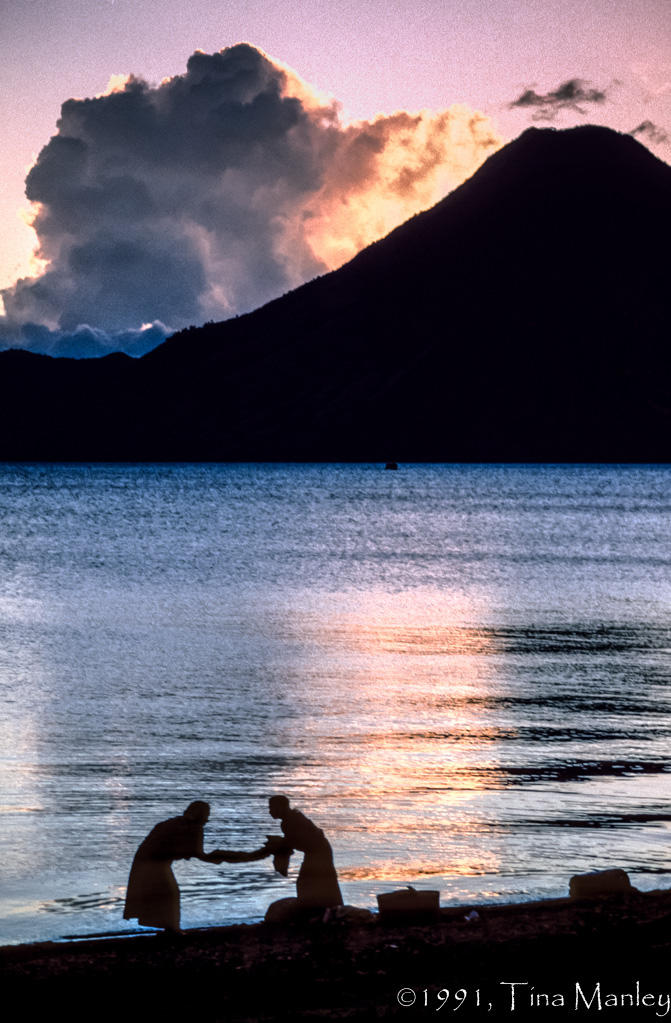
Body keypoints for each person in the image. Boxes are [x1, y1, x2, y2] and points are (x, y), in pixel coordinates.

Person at [123, 800, 257, 933]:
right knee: (170, 893)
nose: (206, 819)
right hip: (151, 861)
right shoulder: (191, 827)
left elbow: (192, 852)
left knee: (168, 893)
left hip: (152, 860)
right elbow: (198, 854)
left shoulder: (180, 825)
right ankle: (172, 928)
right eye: (206, 815)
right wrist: (228, 857)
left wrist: (221, 857)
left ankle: (170, 927)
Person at [268, 795, 343, 909]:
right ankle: (325, 908)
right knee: (317, 881)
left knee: (308, 882)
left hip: (318, 851)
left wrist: (281, 843)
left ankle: (319, 909)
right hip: (316, 851)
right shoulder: (289, 819)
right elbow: (296, 841)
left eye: (272, 808)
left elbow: (298, 841)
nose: (270, 811)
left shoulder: (291, 821)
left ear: (281, 807)